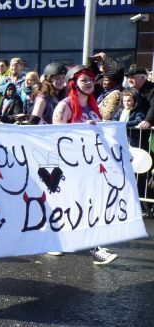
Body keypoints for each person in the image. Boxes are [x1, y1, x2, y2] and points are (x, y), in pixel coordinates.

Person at [52, 65, 118, 265]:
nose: (89, 83)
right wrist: (79, 129)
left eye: (91, 80)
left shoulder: (93, 106)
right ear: (73, 84)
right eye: (84, 80)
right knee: (71, 205)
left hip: (91, 165)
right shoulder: (64, 106)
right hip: (69, 167)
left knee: (92, 205)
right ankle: (58, 240)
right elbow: (55, 137)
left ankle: (94, 246)